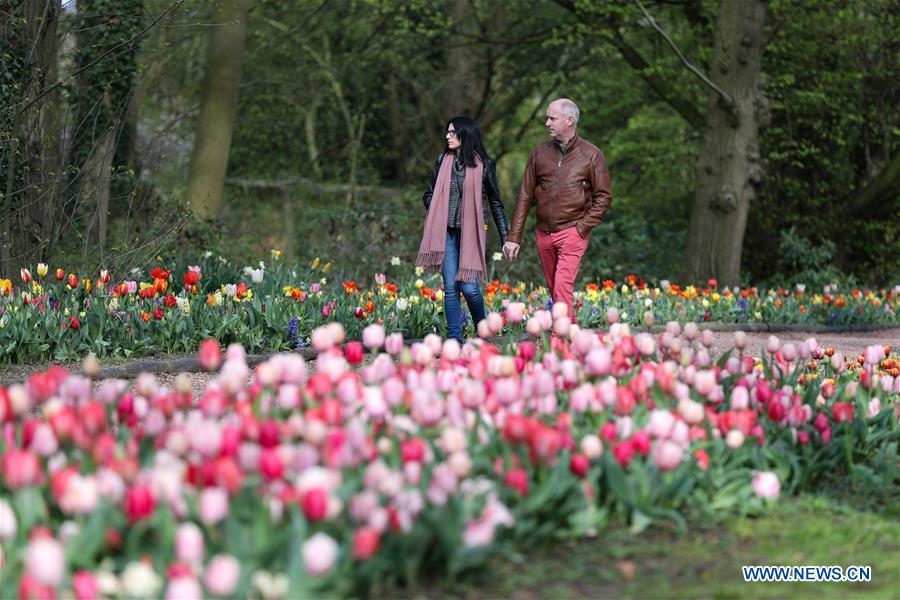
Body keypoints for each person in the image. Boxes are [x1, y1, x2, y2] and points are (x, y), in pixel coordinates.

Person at [503, 98, 612, 321]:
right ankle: (571, 334)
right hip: (543, 233)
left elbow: (603, 197)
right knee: (556, 289)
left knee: (562, 285)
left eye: (552, 118)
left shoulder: (591, 155)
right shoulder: (539, 153)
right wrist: (514, 236)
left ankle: (559, 342)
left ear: (569, 120)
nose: (547, 123)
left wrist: (581, 228)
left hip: (572, 231)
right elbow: (525, 196)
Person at [417, 116, 509, 344]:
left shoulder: (485, 165)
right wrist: (436, 209)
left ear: (465, 134)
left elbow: (496, 203)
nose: (447, 136)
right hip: (445, 232)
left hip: (472, 233)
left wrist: (506, 237)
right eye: (447, 132)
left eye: (452, 132)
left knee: (469, 287)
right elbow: (428, 194)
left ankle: (483, 333)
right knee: (450, 287)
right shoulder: (442, 161)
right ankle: (455, 340)